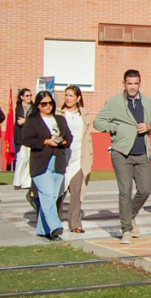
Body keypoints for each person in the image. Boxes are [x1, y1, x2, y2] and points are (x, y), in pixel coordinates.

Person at [93, 69, 151, 244]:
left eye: (136, 83)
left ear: (140, 84)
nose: (132, 87)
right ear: (124, 84)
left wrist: (149, 127)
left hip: (142, 152)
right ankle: (126, 230)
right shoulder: (114, 102)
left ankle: (130, 215)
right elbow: (98, 122)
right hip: (121, 153)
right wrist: (116, 128)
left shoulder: (147, 101)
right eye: (129, 83)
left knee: (145, 189)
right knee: (125, 191)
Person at [22, 91, 72, 240]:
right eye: (44, 104)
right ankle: (55, 226)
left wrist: (62, 141)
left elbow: (69, 137)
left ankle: (43, 229)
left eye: (50, 103)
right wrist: (45, 141)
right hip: (41, 163)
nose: (48, 106)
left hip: (58, 162)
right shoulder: (33, 121)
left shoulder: (60, 119)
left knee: (51, 197)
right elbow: (26, 140)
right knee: (48, 194)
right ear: (38, 105)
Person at [55, 86, 93, 233]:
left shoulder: (83, 114)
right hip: (62, 158)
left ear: (78, 98)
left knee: (77, 192)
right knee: (59, 192)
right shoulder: (58, 113)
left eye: (71, 95)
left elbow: (87, 136)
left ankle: (75, 223)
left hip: (79, 158)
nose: (68, 98)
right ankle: (54, 222)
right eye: (66, 95)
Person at [12, 88, 34, 190]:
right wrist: (27, 121)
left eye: (30, 95)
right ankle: (17, 182)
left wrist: (26, 121)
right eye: (27, 95)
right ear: (22, 97)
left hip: (31, 136)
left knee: (29, 159)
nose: (29, 97)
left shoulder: (34, 108)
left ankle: (26, 182)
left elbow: (35, 120)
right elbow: (19, 122)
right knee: (21, 158)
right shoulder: (19, 108)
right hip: (21, 136)